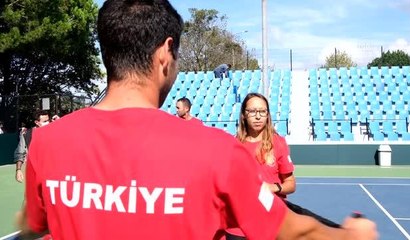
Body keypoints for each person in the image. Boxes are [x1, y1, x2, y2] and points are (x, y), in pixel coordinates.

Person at [17, 1, 378, 239]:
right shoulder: (218, 151)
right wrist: (349, 234)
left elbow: (32, 226)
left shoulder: (47, 142)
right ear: (165, 52)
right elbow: (290, 230)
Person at [225, 93, 341, 239]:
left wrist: (273, 187)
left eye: (262, 111)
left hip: (272, 225)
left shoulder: (278, 143)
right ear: (243, 115)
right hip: (238, 227)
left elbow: (291, 184)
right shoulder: (232, 145)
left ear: (268, 115)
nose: (258, 116)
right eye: (252, 111)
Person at [14, 110, 54, 183]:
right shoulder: (27, 135)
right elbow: (20, 153)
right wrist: (18, 170)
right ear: (36, 122)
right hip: (36, 172)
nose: (48, 123)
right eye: (44, 121)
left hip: (53, 172)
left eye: (49, 120)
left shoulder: (54, 131)